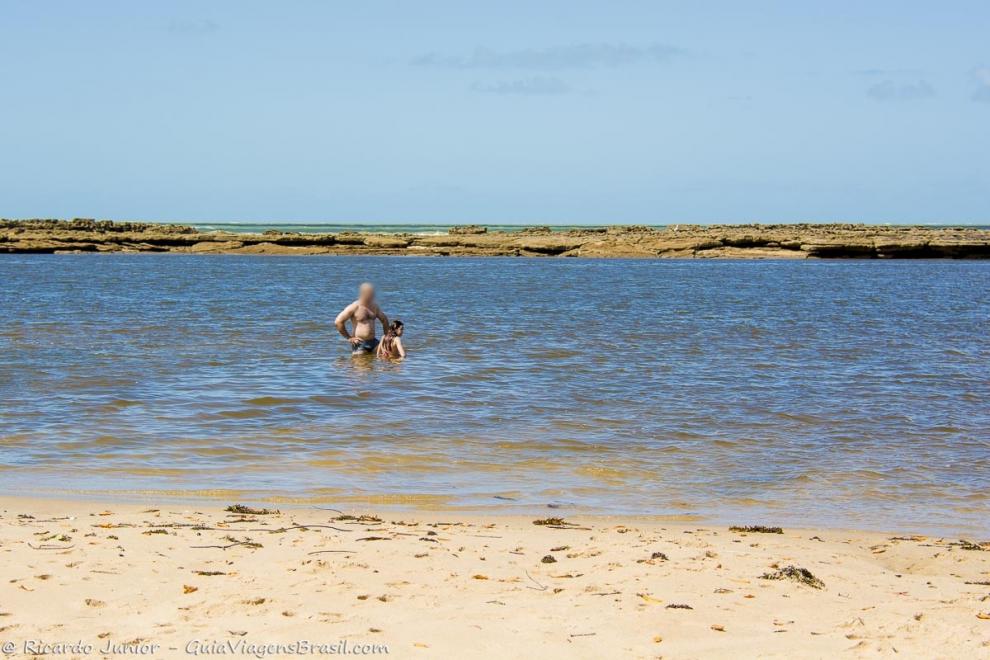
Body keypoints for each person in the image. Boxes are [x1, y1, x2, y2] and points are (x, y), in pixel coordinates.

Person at [334, 283, 390, 355]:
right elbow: (338, 321)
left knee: (388, 356)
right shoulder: (354, 306)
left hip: (374, 342)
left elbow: (384, 320)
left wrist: (387, 337)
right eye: (371, 293)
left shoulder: (375, 307)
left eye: (373, 293)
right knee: (361, 364)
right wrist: (349, 338)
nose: (373, 295)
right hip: (360, 343)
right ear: (363, 293)